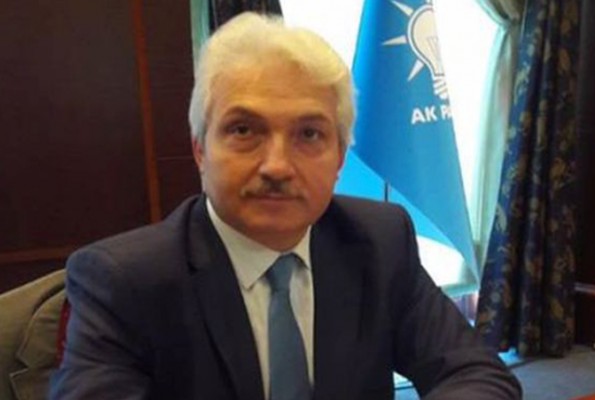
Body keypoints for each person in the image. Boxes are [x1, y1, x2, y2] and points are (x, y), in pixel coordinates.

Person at [49, 12, 521, 400]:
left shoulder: (381, 241)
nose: (276, 166)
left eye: (309, 134)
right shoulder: (124, 282)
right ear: (200, 149)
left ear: (339, 158)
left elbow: (477, 376)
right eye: (243, 130)